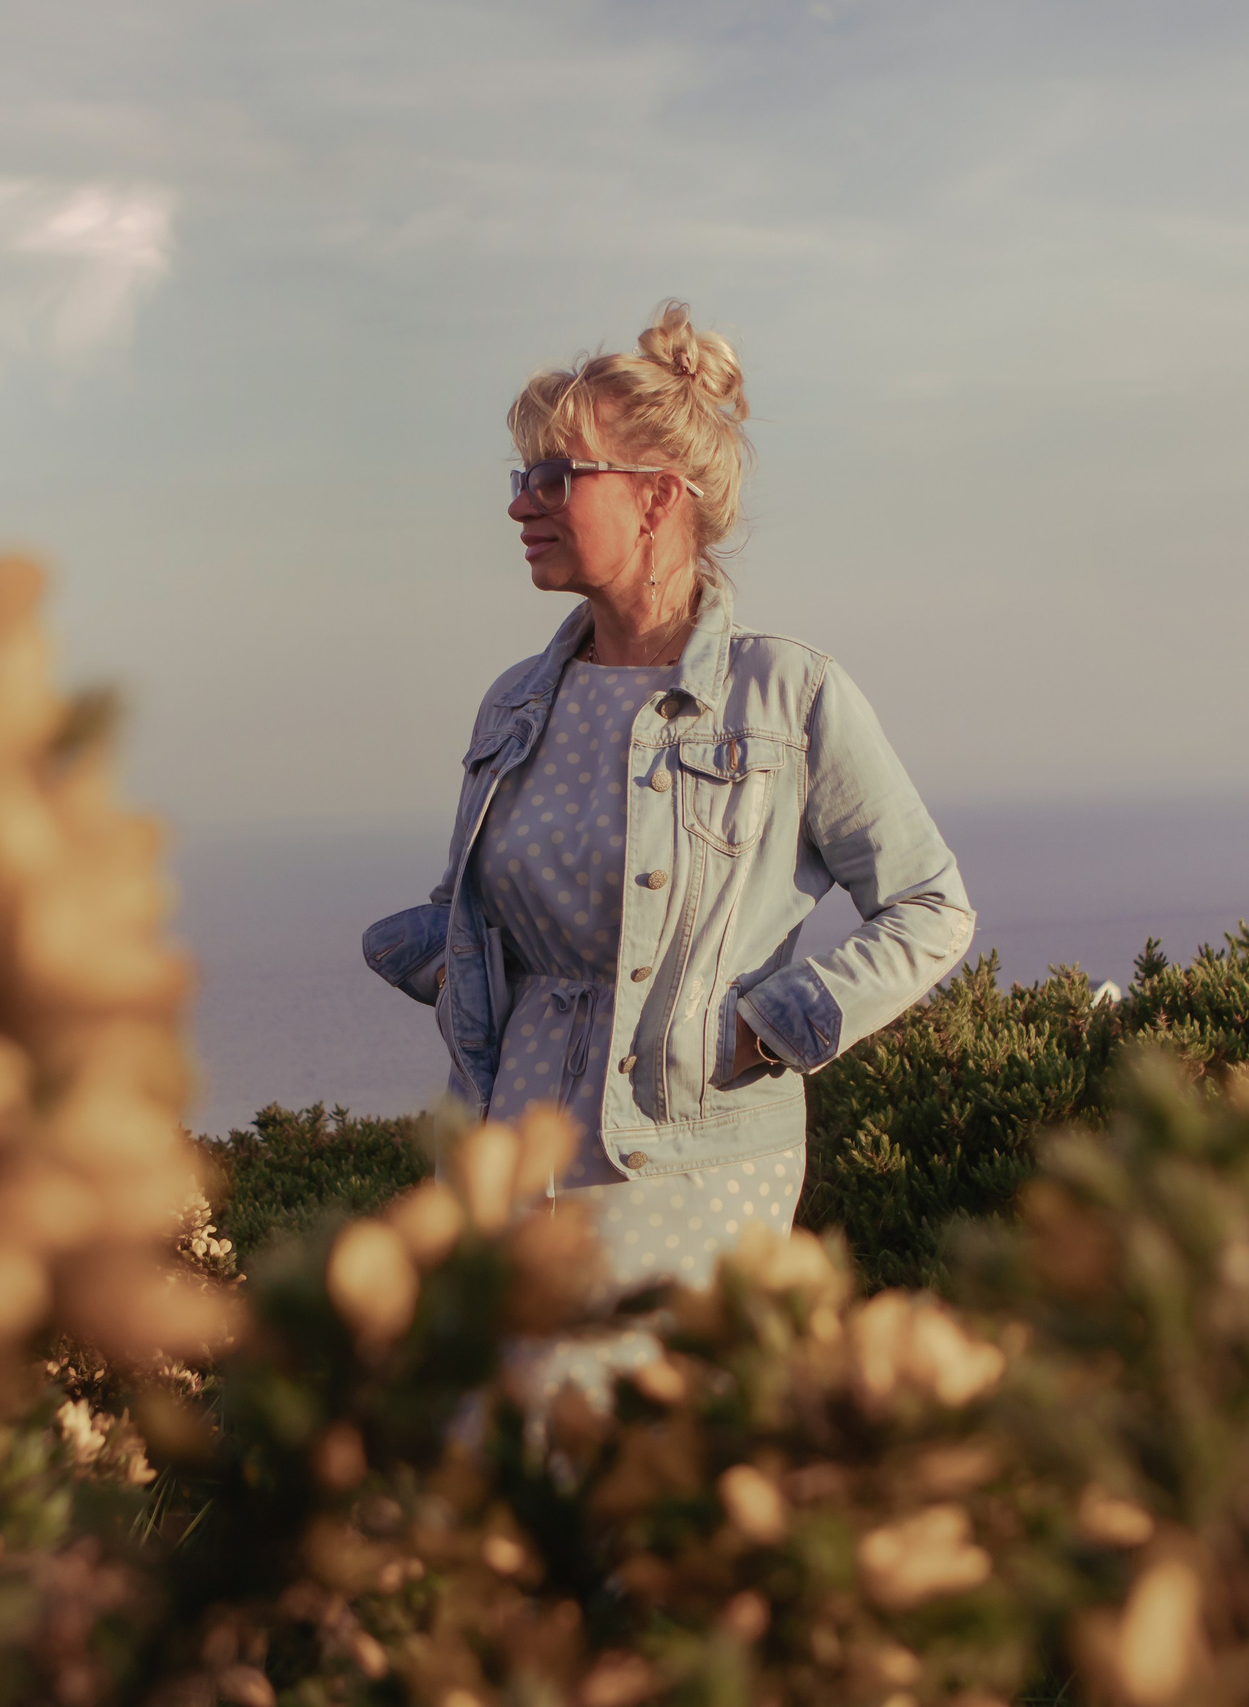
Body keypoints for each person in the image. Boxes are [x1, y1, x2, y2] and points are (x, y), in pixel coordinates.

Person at [363, 301, 973, 1383]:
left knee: (636, 1462)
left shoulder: (787, 695)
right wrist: (437, 955)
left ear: (657, 499)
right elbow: (494, 911)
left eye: (554, 477)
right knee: (496, 1462)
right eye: (517, 479)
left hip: (686, 1166)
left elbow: (930, 905)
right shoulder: (515, 704)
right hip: (511, 1151)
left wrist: (766, 1028)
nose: (521, 506)